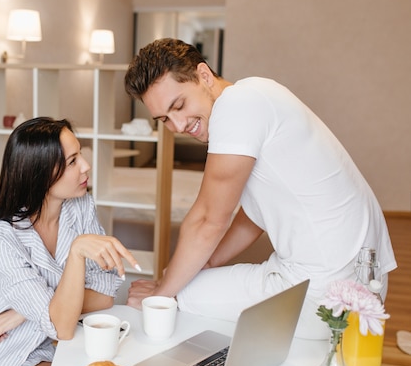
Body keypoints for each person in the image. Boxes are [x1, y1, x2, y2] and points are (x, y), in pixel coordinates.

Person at [124, 38, 396, 339]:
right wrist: (204, 264)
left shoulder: (236, 106)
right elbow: (252, 218)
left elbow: (207, 220)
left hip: (326, 287)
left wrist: (162, 293)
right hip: (363, 275)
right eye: (164, 119)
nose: (176, 125)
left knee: (176, 301)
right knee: (185, 282)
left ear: (203, 75)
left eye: (179, 105)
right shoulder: (256, 94)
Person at [0, 117, 139, 366]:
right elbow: (62, 325)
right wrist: (76, 253)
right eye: (72, 161)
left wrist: (24, 312)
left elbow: (104, 295)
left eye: (81, 156)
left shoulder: (80, 206)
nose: (86, 166)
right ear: (39, 173)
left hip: (38, 341)